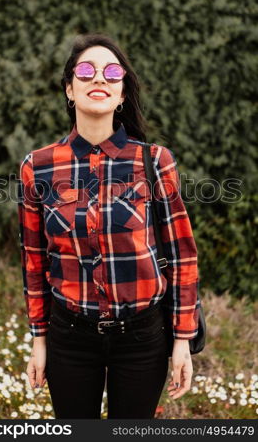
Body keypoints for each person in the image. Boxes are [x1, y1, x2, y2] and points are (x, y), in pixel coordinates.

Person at [17, 32, 199, 419]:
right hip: (70, 337)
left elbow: (183, 255)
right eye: (86, 71)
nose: (98, 78)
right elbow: (34, 262)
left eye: (111, 73)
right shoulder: (39, 166)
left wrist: (182, 339)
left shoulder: (154, 161)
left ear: (120, 94)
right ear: (69, 89)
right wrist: (40, 339)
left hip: (142, 338)